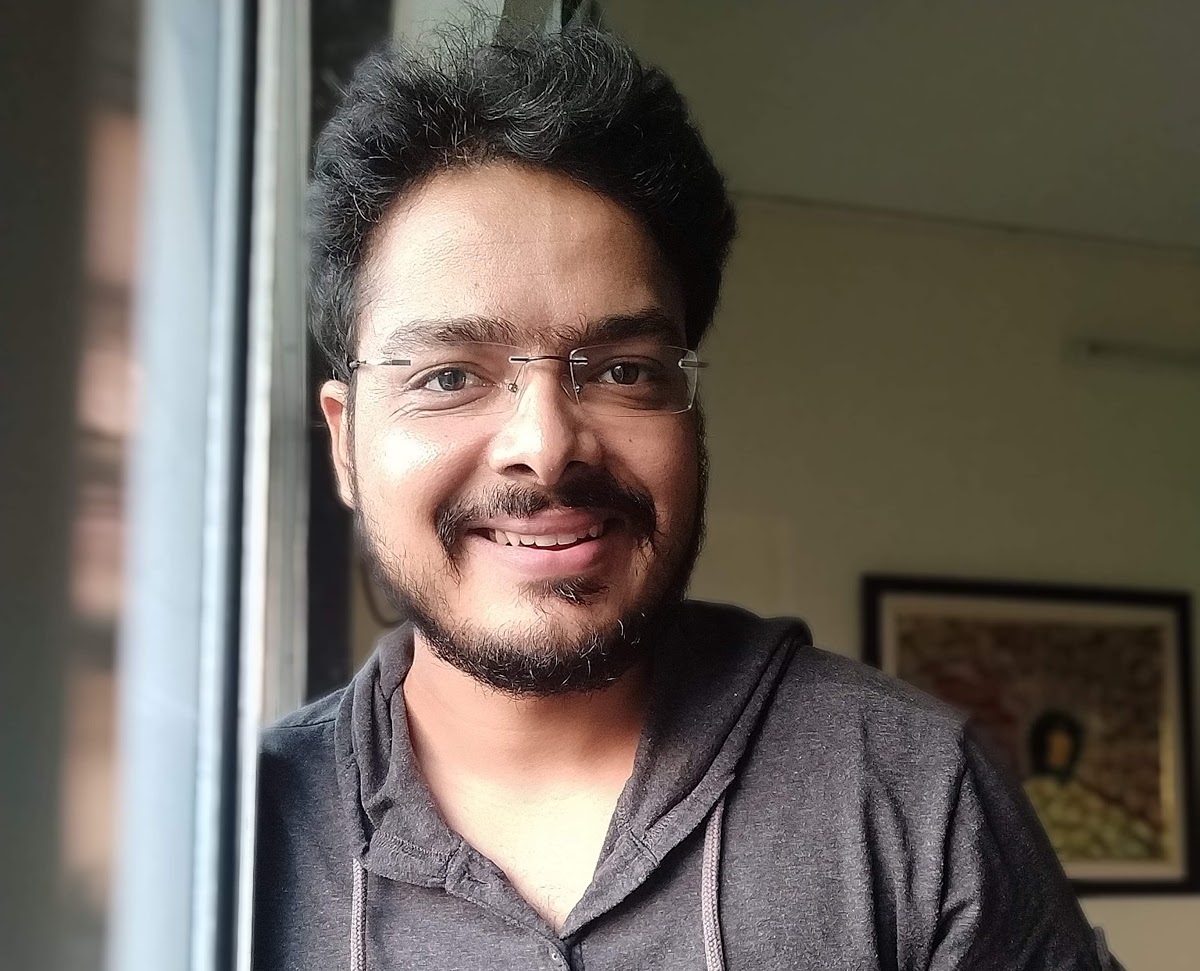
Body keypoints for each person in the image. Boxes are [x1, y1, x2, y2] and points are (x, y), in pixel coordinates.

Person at [254, 27, 1123, 971]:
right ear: (344, 441)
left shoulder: (912, 793)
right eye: (450, 376)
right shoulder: (244, 834)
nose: (544, 446)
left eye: (623, 368)